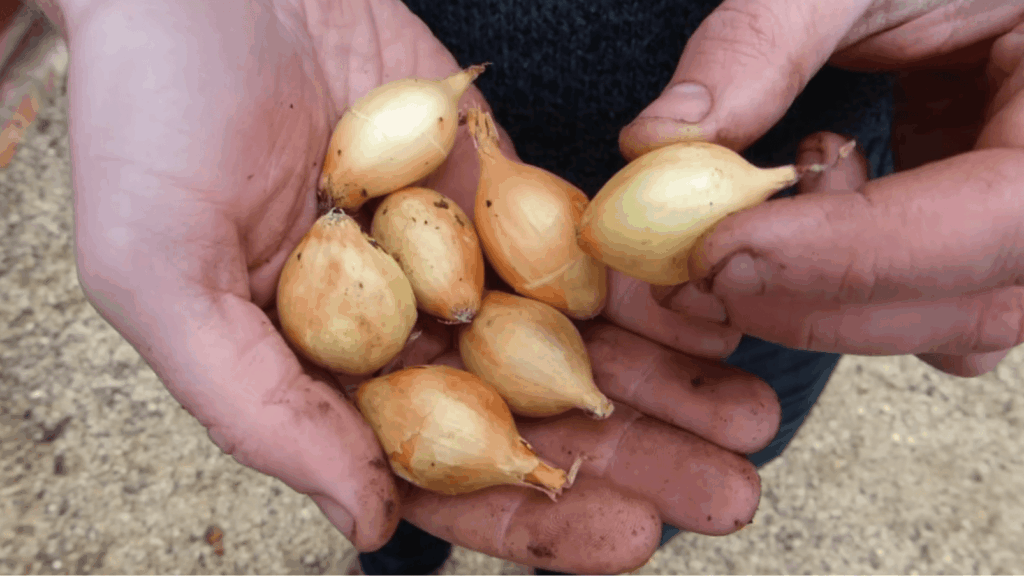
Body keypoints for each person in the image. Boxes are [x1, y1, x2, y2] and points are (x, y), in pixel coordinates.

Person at [33, 0, 1024, 573]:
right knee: (398, 487)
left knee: (675, 444)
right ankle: (402, 558)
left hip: (752, 229)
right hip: (351, 47)